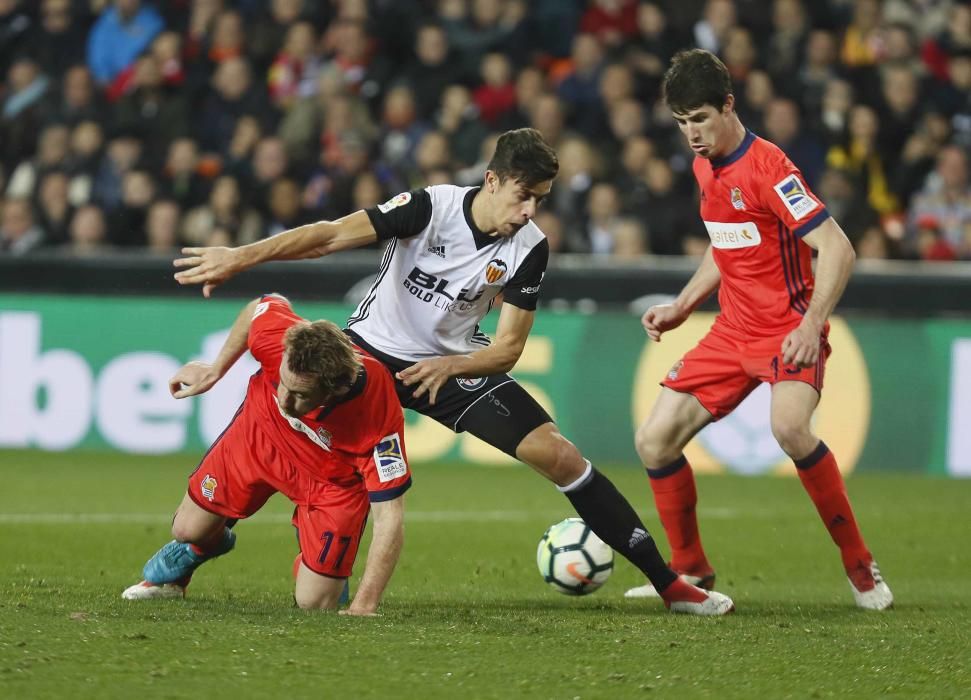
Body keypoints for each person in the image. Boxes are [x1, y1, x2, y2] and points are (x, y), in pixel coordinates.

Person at [172, 127, 733, 616]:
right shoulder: (429, 207)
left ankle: (669, 585)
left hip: (455, 364)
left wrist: (452, 364)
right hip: (368, 354)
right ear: (492, 181)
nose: (530, 211)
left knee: (560, 455)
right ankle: (205, 537)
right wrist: (240, 256)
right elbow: (329, 235)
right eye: (523, 196)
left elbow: (508, 348)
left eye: (539, 199)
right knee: (287, 427)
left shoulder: (529, 248)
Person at [625, 50, 892, 611]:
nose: (691, 134)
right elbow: (726, 244)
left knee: (790, 429)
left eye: (699, 118)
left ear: (728, 104)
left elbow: (837, 248)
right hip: (731, 330)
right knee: (653, 440)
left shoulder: (771, 169)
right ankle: (690, 570)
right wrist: (681, 304)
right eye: (681, 123)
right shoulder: (705, 167)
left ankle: (860, 565)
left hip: (787, 329)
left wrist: (812, 323)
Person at [122, 294, 411, 616]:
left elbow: (389, 516)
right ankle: (197, 550)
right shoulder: (282, 338)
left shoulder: (376, 411)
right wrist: (216, 370)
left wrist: (365, 604)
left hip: (331, 481)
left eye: (301, 395)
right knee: (187, 529)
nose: (284, 399)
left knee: (315, 603)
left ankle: (317, 560)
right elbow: (260, 305)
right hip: (258, 437)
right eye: (283, 384)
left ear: (336, 389)